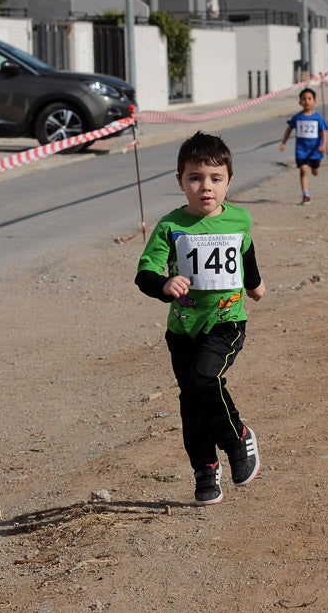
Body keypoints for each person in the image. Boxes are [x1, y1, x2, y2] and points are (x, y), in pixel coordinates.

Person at [135, 131, 265, 507]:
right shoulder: (170, 226)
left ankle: (237, 438)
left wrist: (254, 286)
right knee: (191, 401)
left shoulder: (239, 218)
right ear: (180, 181)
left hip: (226, 321)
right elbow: (144, 273)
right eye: (194, 178)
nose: (205, 187)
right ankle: (205, 470)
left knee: (204, 379)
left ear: (229, 181)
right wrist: (164, 283)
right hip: (183, 330)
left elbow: (246, 253)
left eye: (215, 178)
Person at [279, 87, 328, 205]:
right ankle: (306, 195)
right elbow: (289, 129)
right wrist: (283, 143)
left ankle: (315, 169)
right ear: (300, 102)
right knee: (303, 170)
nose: (307, 101)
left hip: (315, 151)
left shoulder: (318, 118)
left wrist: (324, 145)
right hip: (301, 151)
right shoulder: (297, 117)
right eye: (304, 99)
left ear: (314, 101)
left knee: (315, 171)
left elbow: (324, 132)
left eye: (309, 98)